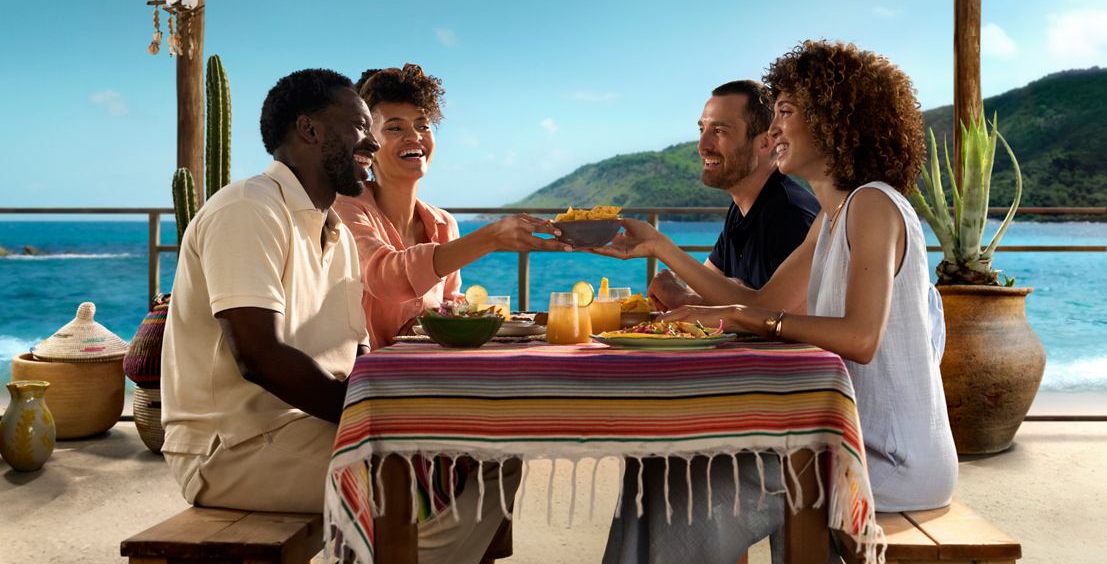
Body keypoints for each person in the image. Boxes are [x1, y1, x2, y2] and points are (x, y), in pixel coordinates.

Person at [602, 41, 958, 564]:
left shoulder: (873, 204)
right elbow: (764, 301)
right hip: (836, 439)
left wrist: (742, 316)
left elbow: (859, 337)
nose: (774, 132)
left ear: (836, 120)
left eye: (786, 113)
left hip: (884, 457)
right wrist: (663, 250)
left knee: (684, 484)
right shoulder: (831, 217)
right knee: (662, 465)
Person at [161, 68, 377, 514]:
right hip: (232, 449)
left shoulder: (336, 235)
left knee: (478, 458)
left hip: (306, 429)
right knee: (419, 483)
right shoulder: (249, 208)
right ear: (309, 128)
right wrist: (367, 420)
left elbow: (356, 357)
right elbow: (258, 356)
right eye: (359, 126)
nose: (372, 144)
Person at [334, 62, 566, 348]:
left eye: (423, 125)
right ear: (368, 141)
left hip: (427, 373)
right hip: (365, 378)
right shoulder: (345, 208)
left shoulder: (443, 224)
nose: (415, 136)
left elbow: (447, 305)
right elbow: (385, 277)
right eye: (395, 127)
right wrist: (490, 237)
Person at [600, 79, 818, 308]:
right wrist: (698, 294)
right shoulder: (741, 209)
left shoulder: (788, 215)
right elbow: (706, 286)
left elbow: (779, 318)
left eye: (719, 131)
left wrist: (684, 295)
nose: (702, 145)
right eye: (702, 129)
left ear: (765, 142)